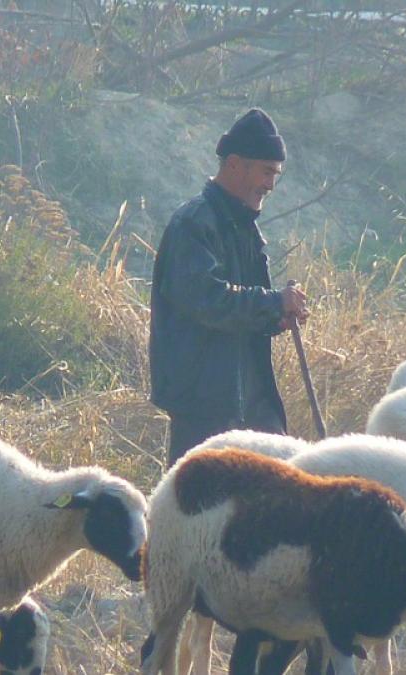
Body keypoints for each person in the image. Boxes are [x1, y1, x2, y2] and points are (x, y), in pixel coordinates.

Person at [149, 108, 309, 467]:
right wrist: (272, 303)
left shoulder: (246, 228)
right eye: (266, 172)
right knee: (196, 508)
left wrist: (278, 318)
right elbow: (208, 300)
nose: (271, 184)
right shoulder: (192, 224)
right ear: (235, 165)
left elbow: (245, 310)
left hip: (248, 399)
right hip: (203, 404)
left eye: (276, 175)